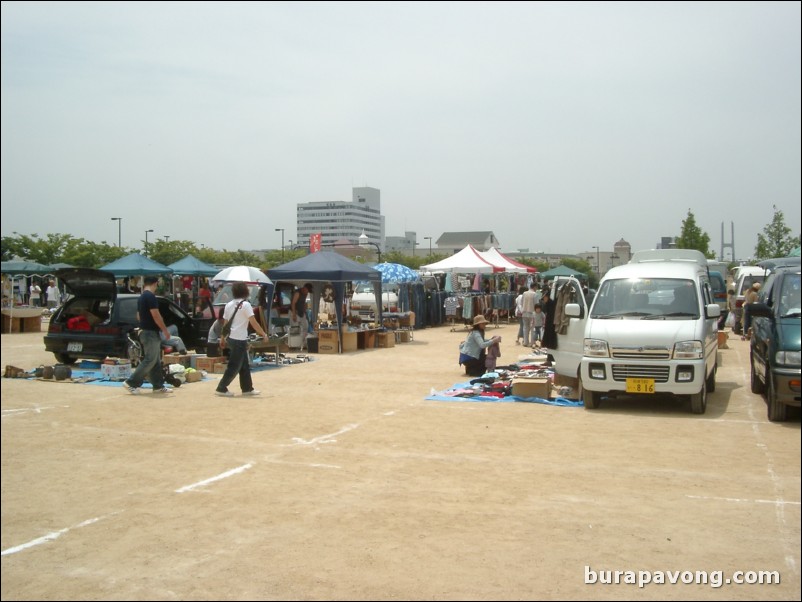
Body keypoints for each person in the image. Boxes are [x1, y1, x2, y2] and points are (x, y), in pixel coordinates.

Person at [215, 281, 269, 397]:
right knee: (234, 366)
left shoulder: (228, 305)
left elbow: (225, 324)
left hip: (232, 338)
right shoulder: (246, 305)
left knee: (244, 364)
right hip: (239, 338)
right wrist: (263, 334)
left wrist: (222, 338)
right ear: (245, 291)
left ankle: (247, 388)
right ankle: (221, 387)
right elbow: (253, 323)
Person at [124, 276, 175, 395]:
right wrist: (165, 330)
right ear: (155, 283)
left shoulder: (141, 297)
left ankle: (158, 385)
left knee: (155, 360)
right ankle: (131, 382)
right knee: (150, 359)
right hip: (150, 332)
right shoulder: (150, 297)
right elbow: (156, 315)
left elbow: (138, 316)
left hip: (144, 331)